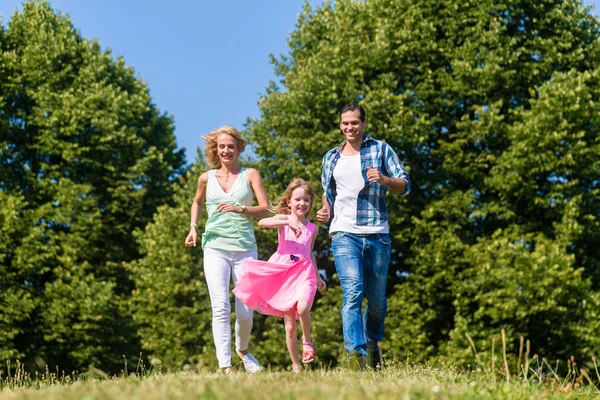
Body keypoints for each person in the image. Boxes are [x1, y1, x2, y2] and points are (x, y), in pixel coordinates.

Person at [316, 103, 411, 370]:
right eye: (345, 123)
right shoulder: (331, 157)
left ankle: (373, 345)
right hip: (344, 233)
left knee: (378, 301)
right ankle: (355, 355)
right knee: (353, 292)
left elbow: (405, 185)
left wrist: (383, 179)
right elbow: (328, 193)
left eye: (354, 123)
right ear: (340, 125)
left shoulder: (380, 149)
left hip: (377, 233)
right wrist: (325, 210)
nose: (350, 128)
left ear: (364, 124)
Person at [184, 125, 272, 374]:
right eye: (221, 146)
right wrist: (193, 227)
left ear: (239, 148)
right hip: (214, 247)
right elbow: (197, 201)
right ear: (216, 149)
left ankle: (242, 350)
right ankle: (225, 366)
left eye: (230, 146)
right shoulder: (206, 178)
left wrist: (242, 209)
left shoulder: (250, 175)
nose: (226, 151)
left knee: (245, 312)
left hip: (244, 248)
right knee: (220, 306)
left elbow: (266, 209)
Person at [233, 178, 327, 373]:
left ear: (311, 202)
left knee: (302, 308)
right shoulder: (283, 223)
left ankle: (307, 339)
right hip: (284, 274)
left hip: (305, 273)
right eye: (298, 199)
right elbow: (261, 222)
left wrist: (317, 277)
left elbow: (309, 253)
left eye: (306, 200)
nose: (302, 203)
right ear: (289, 202)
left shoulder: (313, 228)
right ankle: (295, 365)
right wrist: (285, 219)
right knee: (290, 325)